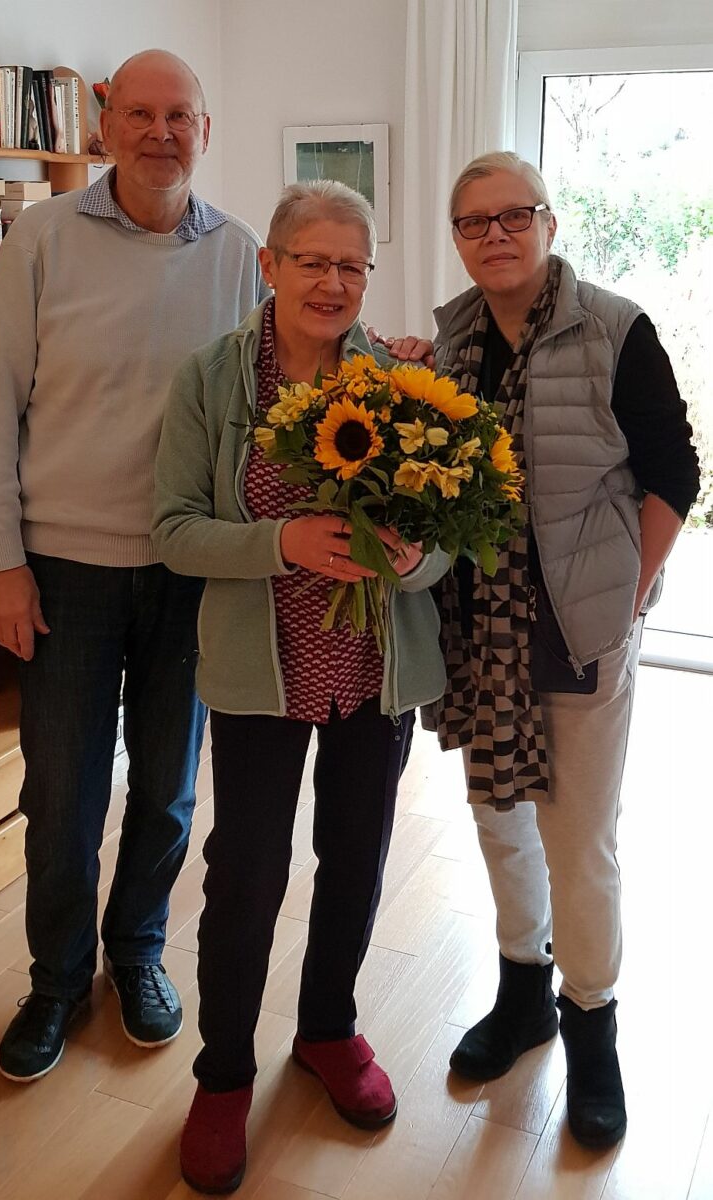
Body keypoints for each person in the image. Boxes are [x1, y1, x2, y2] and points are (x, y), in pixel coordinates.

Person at [0, 49, 268, 1084]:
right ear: (104, 125)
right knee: (62, 794)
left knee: (171, 791)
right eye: (139, 113)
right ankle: (55, 979)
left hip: (192, 571)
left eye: (179, 114)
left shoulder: (239, 254)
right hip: (63, 573)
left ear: (204, 131)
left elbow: (285, 391)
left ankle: (136, 954)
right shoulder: (39, 238)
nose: (159, 132)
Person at [381, 151, 699, 1150]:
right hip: (478, 632)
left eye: (512, 215)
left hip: (581, 630)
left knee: (577, 836)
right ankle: (522, 988)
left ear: (548, 222)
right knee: (496, 813)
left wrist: (632, 595)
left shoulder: (613, 327)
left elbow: (673, 476)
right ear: (456, 236)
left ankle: (589, 1023)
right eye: (471, 222)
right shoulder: (450, 337)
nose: (493, 234)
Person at [152, 180, 449, 1194]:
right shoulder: (212, 380)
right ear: (270, 264)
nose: (332, 282)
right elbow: (172, 530)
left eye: (352, 265)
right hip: (258, 672)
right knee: (244, 877)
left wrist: (409, 563)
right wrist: (282, 543)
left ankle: (327, 1028)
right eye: (312, 260)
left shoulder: (401, 383)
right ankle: (223, 1073)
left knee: (357, 859)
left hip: (375, 669)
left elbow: (444, 541)